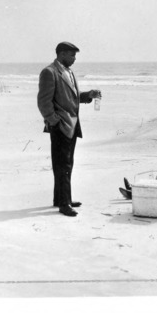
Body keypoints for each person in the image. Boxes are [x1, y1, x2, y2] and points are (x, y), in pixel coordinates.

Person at [37, 41, 101, 217]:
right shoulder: (49, 72)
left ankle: (61, 199)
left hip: (71, 125)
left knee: (66, 164)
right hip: (60, 125)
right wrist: (53, 120)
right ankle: (64, 204)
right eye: (72, 55)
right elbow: (43, 101)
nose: (74, 59)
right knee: (62, 165)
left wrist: (89, 95)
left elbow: (71, 97)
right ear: (62, 54)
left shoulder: (69, 72)